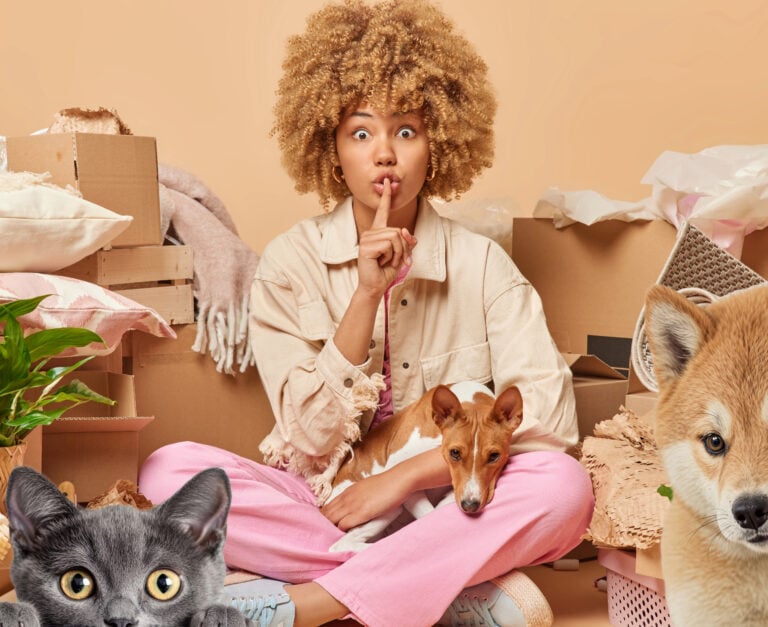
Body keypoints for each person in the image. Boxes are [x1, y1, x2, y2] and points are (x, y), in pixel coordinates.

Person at [139, 1, 594, 625]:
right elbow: (305, 439)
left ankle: (317, 601)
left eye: (406, 131)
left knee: (564, 488)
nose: (384, 154)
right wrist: (363, 295)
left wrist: (404, 478)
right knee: (167, 475)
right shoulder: (289, 263)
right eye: (361, 132)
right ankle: (451, 586)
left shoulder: (484, 266)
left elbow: (549, 420)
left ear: (438, 146)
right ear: (331, 150)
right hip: (323, 504)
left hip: (456, 500)